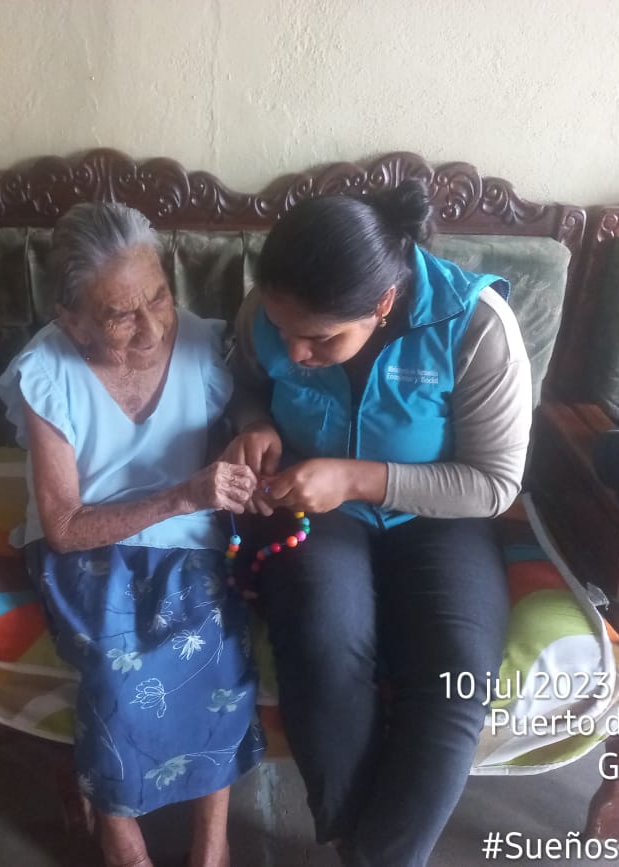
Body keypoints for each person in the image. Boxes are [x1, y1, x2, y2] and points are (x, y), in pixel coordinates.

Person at [223, 180, 532, 867]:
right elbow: (243, 382)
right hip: (314, 509)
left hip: (441, 516)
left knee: (455, 677)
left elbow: (494, 483)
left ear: (383, 304)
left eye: (319, 338)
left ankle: (378, 857)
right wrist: (253, 421)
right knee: (323, 644)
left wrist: (355, 477)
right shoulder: (264, 311)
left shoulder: (476, 325)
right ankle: (352, 840)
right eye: (282, 329)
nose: (294, 352)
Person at [0, 202, 264, 867]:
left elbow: (251, 413)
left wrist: (249, 452)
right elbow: (64, 528)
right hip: (89, 544)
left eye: (159, 296)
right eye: (120, 315)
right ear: (73, 320)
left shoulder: (204, 344)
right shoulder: (46, 373)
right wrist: (181, 494)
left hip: (190, 540)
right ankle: (121, 837)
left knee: (217, 647)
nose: (152, 327)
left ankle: (211, 844)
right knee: (119, 670)